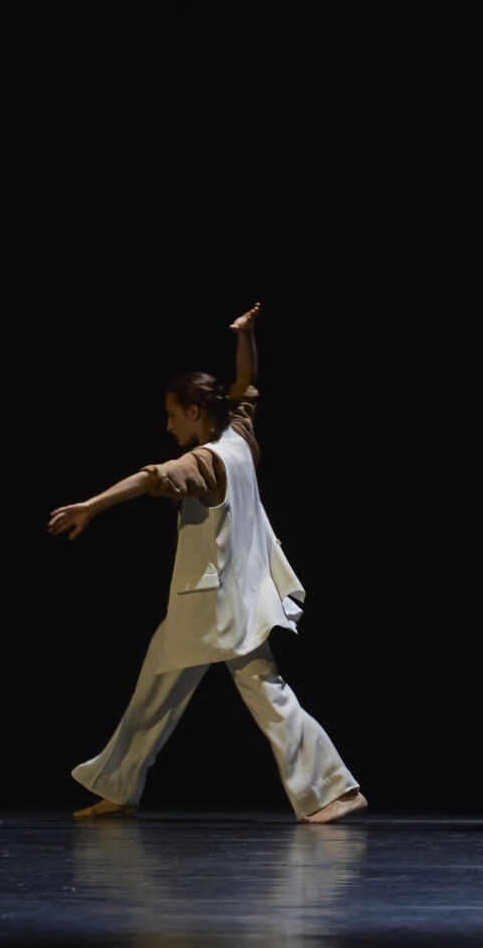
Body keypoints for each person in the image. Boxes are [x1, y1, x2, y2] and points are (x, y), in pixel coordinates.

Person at [46, 303, 367, 824]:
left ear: (195, 411)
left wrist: (91, 506)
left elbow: (151, 476)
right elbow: (245, 380)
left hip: (219, 607)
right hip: (216, 602)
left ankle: (336, 789)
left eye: (173, 413)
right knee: (155, 691)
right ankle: (120, 786)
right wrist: (245, 335)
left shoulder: (207, 459)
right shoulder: (239, 433)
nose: (168, 424)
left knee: (265, 693)